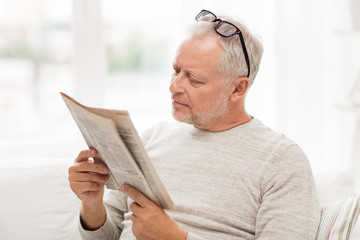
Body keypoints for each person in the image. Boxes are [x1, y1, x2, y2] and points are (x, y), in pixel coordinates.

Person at [68, 9, 321, 240]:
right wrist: (92, 204)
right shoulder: (152, 138)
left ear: (238, 88)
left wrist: (176, 238)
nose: (174, 86)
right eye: (176, 70)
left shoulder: (282, 160)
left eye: (194, 79)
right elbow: (105, 236)